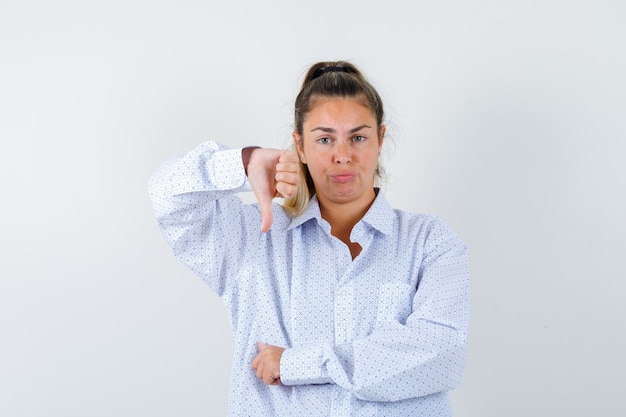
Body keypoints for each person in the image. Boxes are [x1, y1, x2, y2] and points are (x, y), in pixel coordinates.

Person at [148, 61, 470, 416]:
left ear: (380, 138)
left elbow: (442, 356)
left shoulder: (430, 241)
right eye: (325, 138)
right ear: (299, 146)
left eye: (358, 137)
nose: (343, 155)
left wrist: (295, 365)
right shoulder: (254, 238)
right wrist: (245, 162)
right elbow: (165, 197)